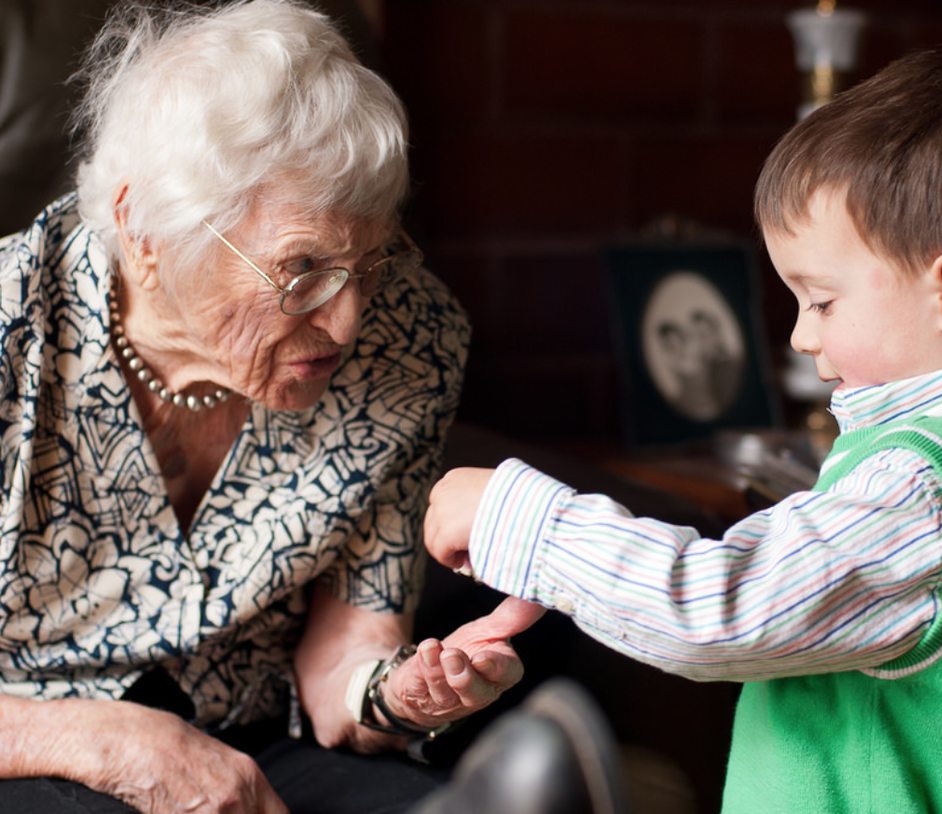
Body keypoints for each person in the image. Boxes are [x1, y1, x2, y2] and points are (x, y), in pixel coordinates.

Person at [425, 46, 942, 813]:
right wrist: (569, 573)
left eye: (822, 301)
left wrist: (521, 521)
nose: (802, 336)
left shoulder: (920, 488)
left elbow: (716, 611)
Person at [0, 2, 542, 812]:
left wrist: (397, 692)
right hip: (29, 741)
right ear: (143, 233)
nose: (348, 321)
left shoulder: (409, 340)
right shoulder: (12, 327)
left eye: (371, 261)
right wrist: (108, 741)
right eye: (303, 269)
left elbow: (345, 655)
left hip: (255, 736)